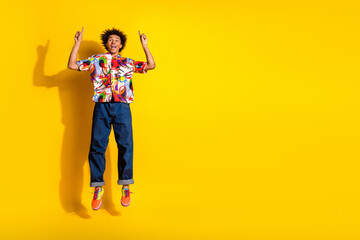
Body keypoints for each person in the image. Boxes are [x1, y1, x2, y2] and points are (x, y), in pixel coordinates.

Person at [67, 27, 156, 210]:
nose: (113, 42)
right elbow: (72, 65)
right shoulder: (96, 60)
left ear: (121, 44)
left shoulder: (128, 62)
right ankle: (98, 187)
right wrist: (76, 44)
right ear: (106, 44)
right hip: (101, 106)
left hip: (122, 106)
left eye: (116, 40)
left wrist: (145, 45)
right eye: (110, 40)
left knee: (125, 145)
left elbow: (151, 65)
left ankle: (125, 185)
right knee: (97, 146)